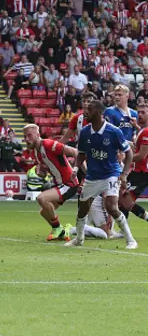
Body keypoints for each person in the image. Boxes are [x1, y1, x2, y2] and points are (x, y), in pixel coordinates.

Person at [65, 100, 137, 249]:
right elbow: (82, 154)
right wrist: (76, 169)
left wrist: (124, 174)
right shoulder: (85, 132)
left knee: (112, 206)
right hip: (92, 177)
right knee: (83, 209)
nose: (86, 112)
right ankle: (79, 239)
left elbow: (128, 153)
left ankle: (131, 240)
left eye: (89, 109)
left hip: (111, 174)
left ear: (99, 112)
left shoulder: (114, 131)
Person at [22, 124, 80, 241]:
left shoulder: (49, 144)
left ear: (38, 135)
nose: (27, 139)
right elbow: (45, 171)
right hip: (60, 185)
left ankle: (58, 228)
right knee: (44, 212)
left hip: (69, 183)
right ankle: (63, 232)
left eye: (29, 135)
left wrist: (78, 170)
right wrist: (41, 172)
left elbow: (75, 152)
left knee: (41, 198)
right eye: (25, 136)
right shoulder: (37, 153)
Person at [119, 103, 148, 223]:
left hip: (142, 173)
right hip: (139, 172)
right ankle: (123, 230)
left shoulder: (146, 132)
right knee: (122, 197)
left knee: (125, 199)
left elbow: (141, 156)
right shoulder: (142, 130)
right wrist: (136, 127)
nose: (139, 115)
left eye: (143, 113)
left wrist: (123, 159)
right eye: (138, 112)